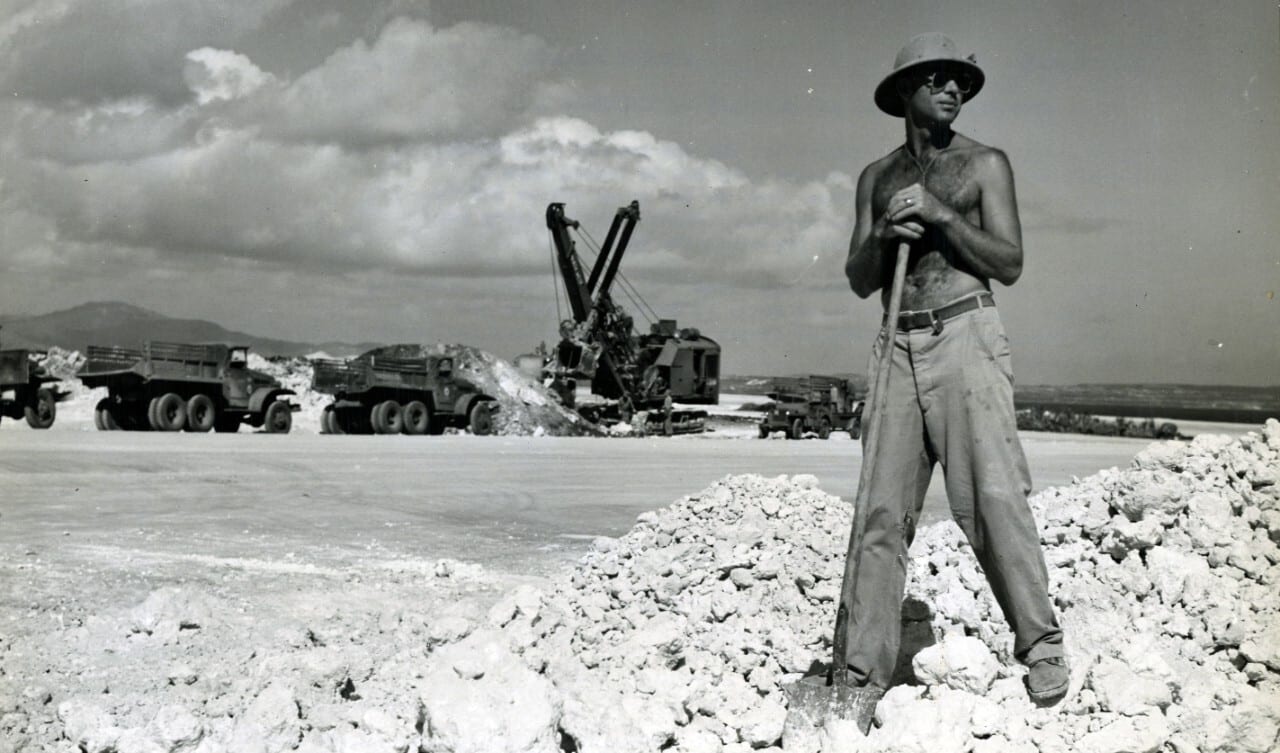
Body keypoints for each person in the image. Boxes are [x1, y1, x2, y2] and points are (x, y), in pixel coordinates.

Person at [841, 33, 1068, 707]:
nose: (952, 89)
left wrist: (940, 216)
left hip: (965, 333)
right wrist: (885, 236)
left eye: (960, 82)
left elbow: (1009, 262)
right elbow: (858, 280)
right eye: (936, 79)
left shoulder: (984, 165)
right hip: (895, 342)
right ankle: (860, 674)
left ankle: (1043, 646)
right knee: (879, 514)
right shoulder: (876, 178)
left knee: (994, 499)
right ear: (904, 93)